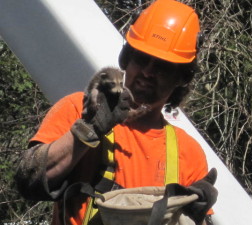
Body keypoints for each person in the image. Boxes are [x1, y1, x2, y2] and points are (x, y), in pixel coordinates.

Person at [15, 0, 217, 225]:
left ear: (182, 77)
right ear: (127, 58)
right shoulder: (80, 109)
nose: (148, 72)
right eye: (141, 58)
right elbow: (29, 180)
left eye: (162, 66)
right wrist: (87, 130)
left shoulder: (188, 154)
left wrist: (196, 212)